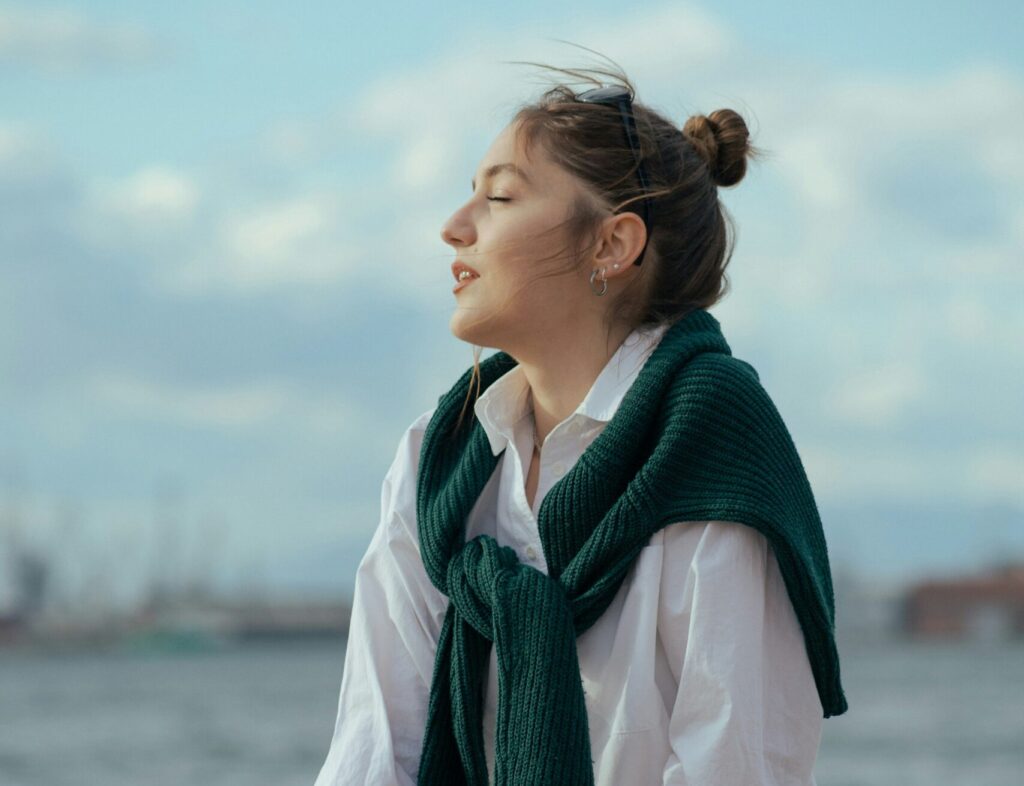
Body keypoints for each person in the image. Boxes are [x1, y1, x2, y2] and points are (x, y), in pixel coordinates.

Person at [314, 57, 847, 786]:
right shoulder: (434, 462)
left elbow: (736, 763)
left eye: (499, 197)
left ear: (611, 245)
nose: (453, 228)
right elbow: (377, 748)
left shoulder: (710, 444)